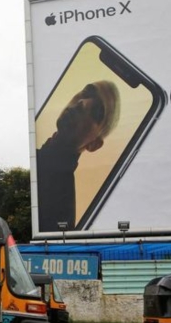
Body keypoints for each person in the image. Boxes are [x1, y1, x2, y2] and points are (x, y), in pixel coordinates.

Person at [37, 80, 120, 232]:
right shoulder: (37, 160)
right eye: (87, 93)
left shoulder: (60, 202)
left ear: (94, 145)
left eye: (97, 112)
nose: (83, 103)